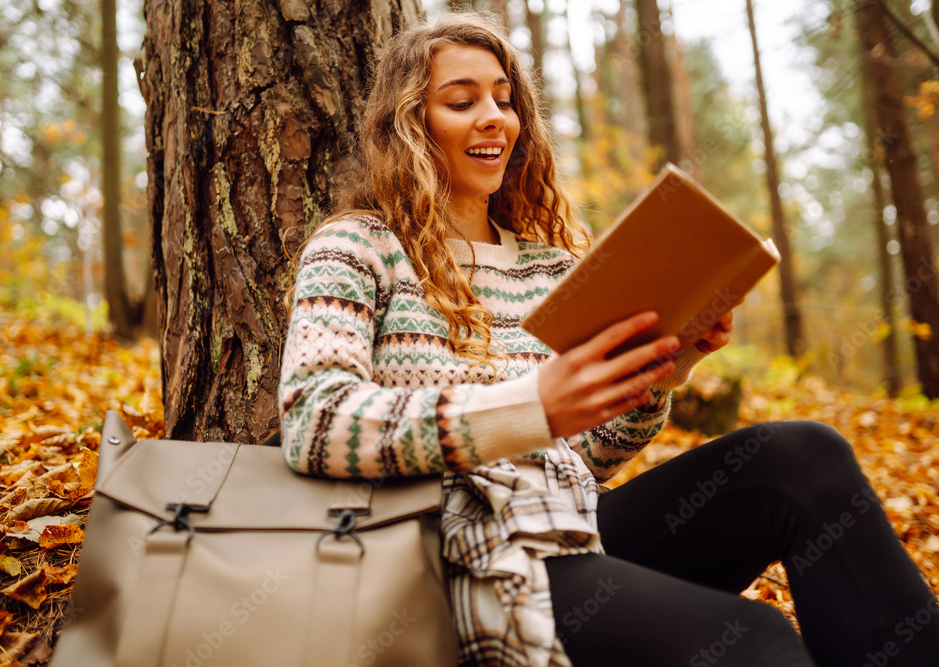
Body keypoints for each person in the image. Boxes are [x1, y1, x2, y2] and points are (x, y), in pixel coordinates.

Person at [277, 12, 939, 667]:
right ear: (409, 120)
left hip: (570, 529)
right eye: (461, 100)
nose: (493, 118)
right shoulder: (357, 246)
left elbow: (584, 459)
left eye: (505, 101)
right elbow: (314, 420)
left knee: (803, 454)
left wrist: (657, 370)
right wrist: (527, 406)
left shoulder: (551, 266)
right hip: (458, 551)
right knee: (755, 640)